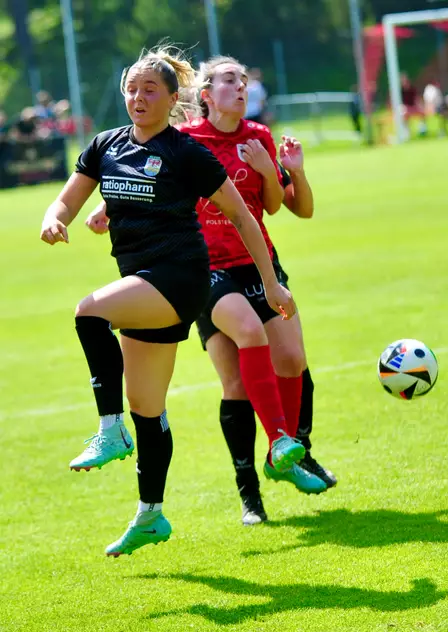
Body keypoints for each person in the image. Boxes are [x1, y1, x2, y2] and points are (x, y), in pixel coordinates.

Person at [40, 46, 297, 557]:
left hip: (181, 280)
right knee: (147, 407)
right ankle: (150, 515)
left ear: (172, 97)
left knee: (89, 312)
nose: (138, 97)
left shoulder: (186, 153)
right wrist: (55, 218)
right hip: (141, 283)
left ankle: (108, 429)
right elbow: (68, 198)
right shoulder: (105, 145)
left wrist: (271, 284)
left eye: (150, 89)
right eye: (131, 89)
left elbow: (244, 217)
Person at [86, 56, 333, 526]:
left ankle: (293, 453)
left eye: (244, 80)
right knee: (241, 356)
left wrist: (278, 171)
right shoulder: (186, 140)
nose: (241, 87)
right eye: (229, 80)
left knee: (291, 360)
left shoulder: (258, 136)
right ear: (205, 93)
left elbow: (279, 207)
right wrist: (105, 207)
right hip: (205, 269)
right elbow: (140, 176)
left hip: (257, 262)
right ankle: (254, 487)